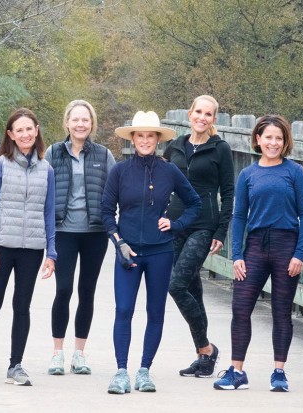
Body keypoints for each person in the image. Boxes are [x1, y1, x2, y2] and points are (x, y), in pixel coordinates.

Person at [101, 111, 201, 394]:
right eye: (140, 135)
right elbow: (107, 211)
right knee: (123, 309)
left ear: (158, 139)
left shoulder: (169, 171)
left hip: (160, 251)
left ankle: (144, 370)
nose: (145, 140)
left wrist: (176, 224)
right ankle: (121, 371)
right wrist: (119, 242)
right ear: (132, 138)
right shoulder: (119, 171)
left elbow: (195, 203)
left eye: (150, 136)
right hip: (128, 251)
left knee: (155, 311)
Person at [213, 115, 303, 392]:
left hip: (286, 246)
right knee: (240, 309)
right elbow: (239, 216)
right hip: (255, 246)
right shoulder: (248, 175)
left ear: (285, 142)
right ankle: (237, 371)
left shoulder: (294, 172)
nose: (273, 143)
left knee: (282, 312)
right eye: (268, 137)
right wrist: (238, 255)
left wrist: (299, 254)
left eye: (279, 138)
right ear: (258, 139)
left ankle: (279, 373)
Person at [0, 108, 57, 386]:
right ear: (10, 134)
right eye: (19, 130)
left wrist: (51, 252)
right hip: (2, 246)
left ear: (37, 130)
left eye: (29, 128)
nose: (25, 134)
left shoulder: (47, 170)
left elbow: (49, 213)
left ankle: (15, 365)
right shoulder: (0, 166)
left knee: (22, 306)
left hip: (31, 249)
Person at [163, 95, 234, 378]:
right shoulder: (175, 147)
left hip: (204, 224)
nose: (202, 118)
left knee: (176, 284)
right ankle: (203, 358)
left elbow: (228, 193)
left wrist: (222, 231)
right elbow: (159, 183)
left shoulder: (221, 149)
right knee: (192, 288)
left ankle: (206, 348)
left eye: (208, 114)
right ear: (190, 114)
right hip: (176, 224)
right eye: (198, 112)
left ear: (214, 119)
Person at [44, 100, 115, 375]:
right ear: (67, 123)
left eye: (85, 120)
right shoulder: (53, 153)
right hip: (63, 231)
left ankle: (79, 353)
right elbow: (43, 190)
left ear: (92, 124)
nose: (80, 124)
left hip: (94, 234)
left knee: (87, 292)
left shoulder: (103, 154)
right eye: (76, 120)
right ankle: (57, 353)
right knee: (63, 290)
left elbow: (114, 191)